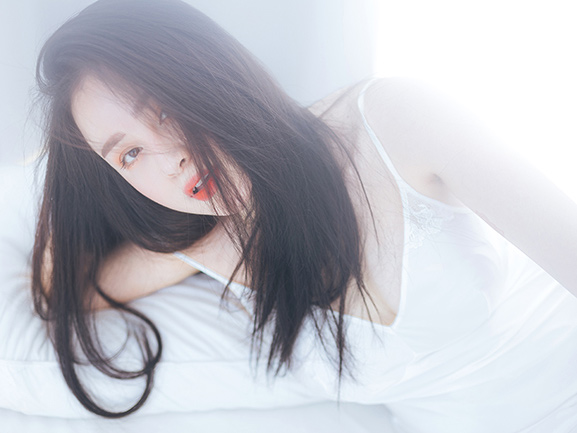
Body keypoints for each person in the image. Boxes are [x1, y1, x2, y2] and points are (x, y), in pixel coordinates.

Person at [31, 0, 577, 429]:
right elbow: (64, 292)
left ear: (213, 72)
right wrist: (72, 190)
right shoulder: (204, 247)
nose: (169, 158)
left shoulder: (394, 121)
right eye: (129, 154)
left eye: (166, 109)